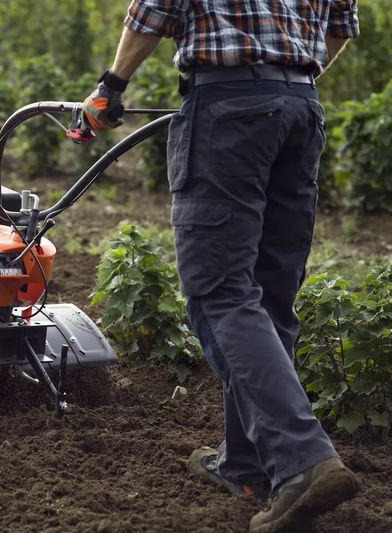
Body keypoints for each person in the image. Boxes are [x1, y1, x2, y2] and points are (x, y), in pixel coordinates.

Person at [83, 1, 361, 532]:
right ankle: (248, 464)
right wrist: (284, 77)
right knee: (270, 294)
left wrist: (110, 85)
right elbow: (341, 27)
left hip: (228, 110)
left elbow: (154, 12)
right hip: (301, 106)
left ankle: (302, 461)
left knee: (221, 293)